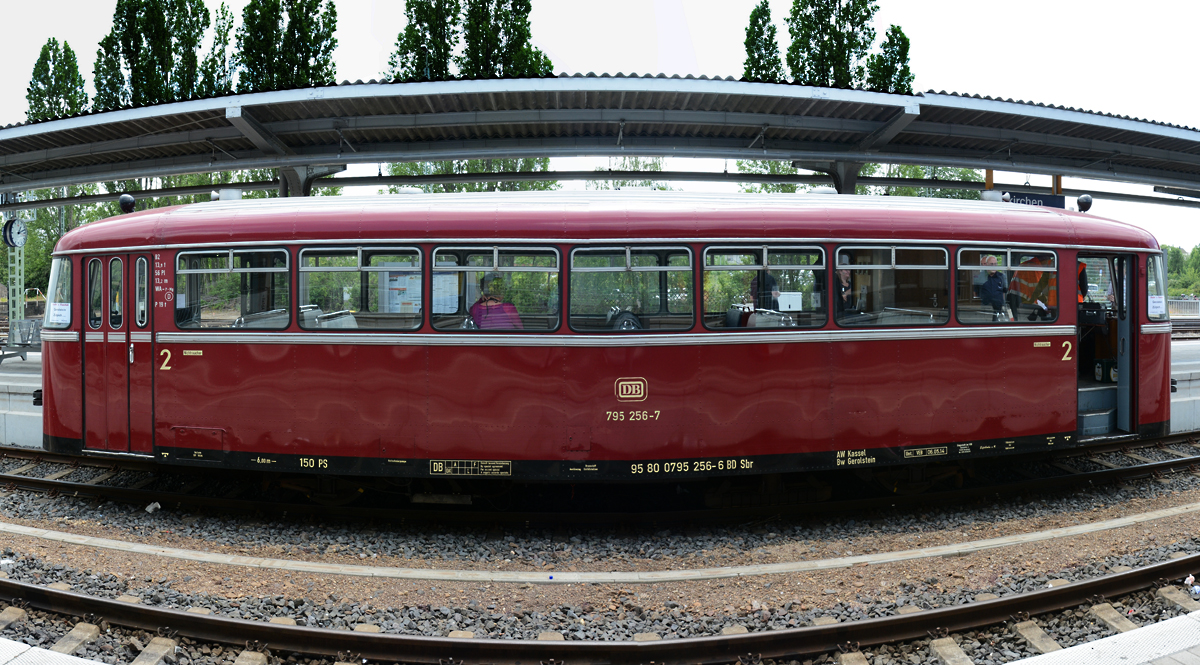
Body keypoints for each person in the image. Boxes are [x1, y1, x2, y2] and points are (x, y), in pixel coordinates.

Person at [974, 255, 1007, 321]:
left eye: (995, 264)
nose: (993, 266)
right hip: (984, 308)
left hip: (998, 308)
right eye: (991, 264)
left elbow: (1004, 292)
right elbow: (975, 293)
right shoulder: (979, 277)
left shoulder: (1002, 277)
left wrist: (1004, 305)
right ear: (986, 265)